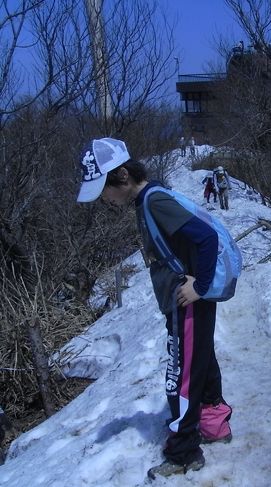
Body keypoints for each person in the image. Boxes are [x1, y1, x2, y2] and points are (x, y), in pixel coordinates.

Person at [76, 138, 232, 479]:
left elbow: (206, 237)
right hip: (185, 301)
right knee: (201, 362)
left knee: (182, 375)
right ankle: (213, 424)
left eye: (103, 190)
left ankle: (183, 453)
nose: (104, 199)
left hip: (186, 301)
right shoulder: (150, 198)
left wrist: (200, 287)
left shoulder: (153, 200)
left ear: (121, 176)